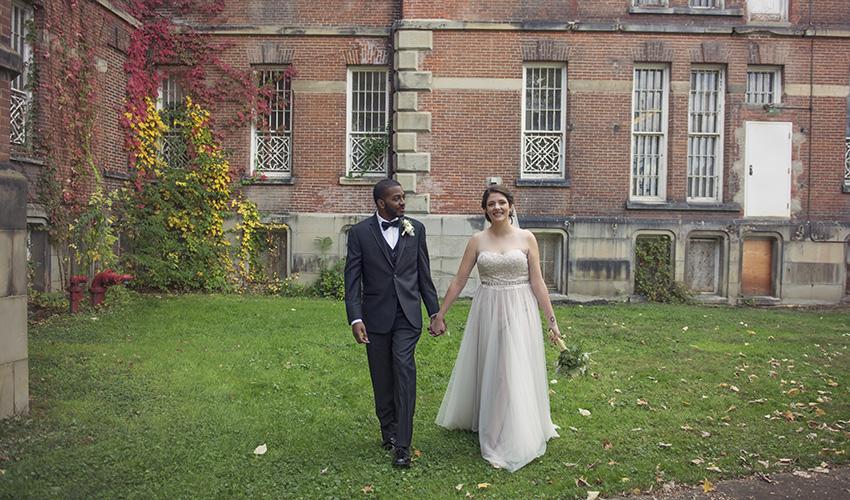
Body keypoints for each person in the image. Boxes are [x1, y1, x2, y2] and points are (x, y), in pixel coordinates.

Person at [431, 185, 562, 472]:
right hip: (488, 307)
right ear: (485, 209)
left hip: (520, 308)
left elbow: (538, 282)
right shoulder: (477, 240)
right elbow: (459, 280)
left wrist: (552, 322)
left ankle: (508, 429)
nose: (497, 207)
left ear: (511, 206)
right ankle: (491, 422)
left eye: (502, 202)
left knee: (511, 366)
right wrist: (440, 314)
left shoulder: (527, 238)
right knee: (494, 364)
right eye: (491, 204)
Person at [343, 178, 441, 468]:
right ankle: (388, 431)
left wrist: (434, 312)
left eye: (403, 197)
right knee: (382, 375)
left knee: (403, 368)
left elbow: (424, 275)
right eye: (396, 198)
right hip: (375, 316)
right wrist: (355, 317)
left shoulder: (416, 229)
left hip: (408, 316)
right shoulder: (360, 233)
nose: (403, 202)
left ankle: (403, 444)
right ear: (380, 203)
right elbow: (352, 280)